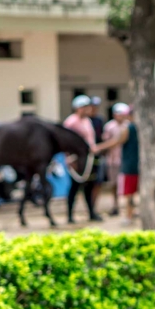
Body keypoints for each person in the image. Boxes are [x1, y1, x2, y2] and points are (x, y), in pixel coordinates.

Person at [63, 95, 103, 223]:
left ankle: (91, 213)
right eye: (84, 107)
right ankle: (69, 215)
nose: (87, 109)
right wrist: (70, 159)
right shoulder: (71, 122)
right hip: (77, 159)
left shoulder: (87, 120)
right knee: (75, 187)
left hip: (89, 158)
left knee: (89, 186)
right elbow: (66, 142)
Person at [102, 103, 130, 216]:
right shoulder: (109, 127)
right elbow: (107, 143)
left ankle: (129, 206)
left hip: (126, 160)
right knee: (114, 184)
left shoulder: (129, 126)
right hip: (113, 160)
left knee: (129, 183)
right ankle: (115, 205)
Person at [117, 107, 140, 225]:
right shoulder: (141, 129)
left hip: (130, 166)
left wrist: (100, 147)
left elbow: (118, 141)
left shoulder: (128, 128)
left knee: (129, 194)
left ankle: (129, 216)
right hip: (139, 166)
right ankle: (133, 213)